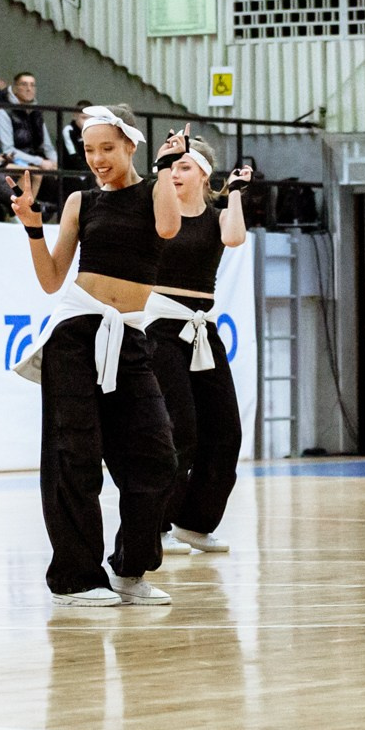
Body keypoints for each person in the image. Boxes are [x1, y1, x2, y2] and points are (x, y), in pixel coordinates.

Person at [7, 106, 186, 607]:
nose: (98, 159)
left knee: (156, 456)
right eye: (89, 150)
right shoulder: (80, 201)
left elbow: (169, 229)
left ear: (131, 145)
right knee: (74, 455)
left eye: (108, 148)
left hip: (127, 335)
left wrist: (171, 169)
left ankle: (129, 568)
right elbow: (50, 280)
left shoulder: (156, 187)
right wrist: (32, 227)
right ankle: (76, 577)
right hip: (75, 329)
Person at [139, 134, 254, 556]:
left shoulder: (219, 216)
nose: (175, 172)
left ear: (204, 173)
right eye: (171, 166)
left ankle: (196, 522)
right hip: (160, 330)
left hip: (202, 330)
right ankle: (157, 523)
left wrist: (237, 193)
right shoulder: (156, 212)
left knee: (226, 431)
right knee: (179, 429)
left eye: (185, 166)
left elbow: (236, 238)